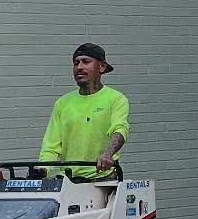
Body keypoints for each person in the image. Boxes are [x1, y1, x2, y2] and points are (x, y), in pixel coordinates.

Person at [37, 43, 129, 180]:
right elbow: (51, 145)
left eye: (86, 62)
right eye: (76, 63)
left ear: (102, 67)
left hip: (103, 178)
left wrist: (107, 154)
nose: (79, 67)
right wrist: (42, 169)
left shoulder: (116, 99)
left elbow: (120, 129)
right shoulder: (62, 103)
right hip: (68, 180)